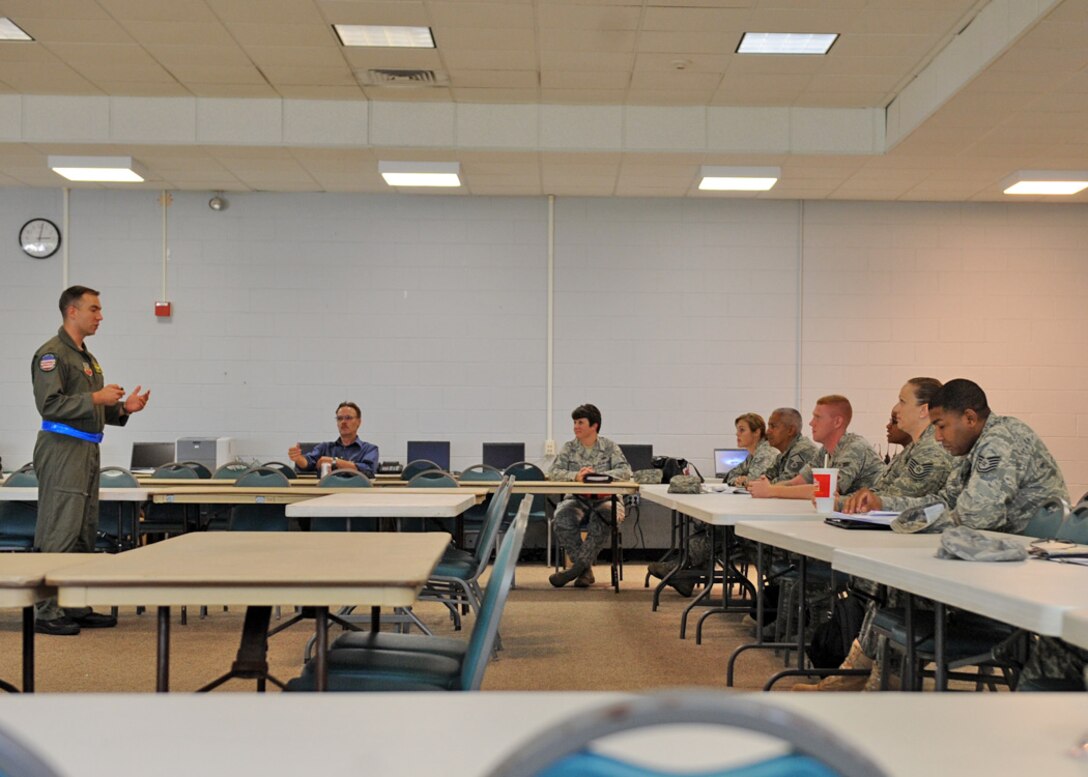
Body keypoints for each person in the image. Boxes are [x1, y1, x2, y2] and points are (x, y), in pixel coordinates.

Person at [795, 377, 954, 691]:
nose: (895, 409)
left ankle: (866, 675)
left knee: (879, 582)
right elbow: (878, 493)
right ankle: (863, 673)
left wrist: (847, 502)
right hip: (905, 547)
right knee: (878, 583)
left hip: (923, 556)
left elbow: (891, 499)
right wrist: (846, 502)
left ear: (924, 410)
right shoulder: (912, 451)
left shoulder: (931, 452)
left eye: (902, 401)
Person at [32, 285, 150, 636]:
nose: (100, 316)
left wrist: (122, 409)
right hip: (62, 448)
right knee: (60, 529)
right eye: (94, 309)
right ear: (72, 311)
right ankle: (47, 610)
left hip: (86, 448)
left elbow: (91, 407)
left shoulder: (87, 358)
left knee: (83, 530)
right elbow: (50, 405)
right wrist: (97, 397)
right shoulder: (52, 355)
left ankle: (74, 605)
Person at [844, 379, 1068, 534]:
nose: (938, 436)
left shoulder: (1001, 439)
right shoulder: (971, 445)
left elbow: (977, 516)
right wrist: (883, 504)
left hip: (1032, 556)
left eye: (941, 426)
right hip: (1006, 550)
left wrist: (908, 522)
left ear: (969, 418)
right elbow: (945, 501)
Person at [547, 404, 632, 588]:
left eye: (580, 422)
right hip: (577, 499)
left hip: (607, 499)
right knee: (562, 518)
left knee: (605, 515)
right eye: (574, 423)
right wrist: (575, 476)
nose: (575, 427)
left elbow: (625, 471)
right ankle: (584, 570)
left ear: (594, 426)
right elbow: (553, 472)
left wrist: (599, 476)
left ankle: (576, 569)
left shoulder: (609, 447)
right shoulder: (569, 448)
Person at [748, 395, 884, 500]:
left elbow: (826, 491)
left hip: (876, 520)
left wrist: (771, 490)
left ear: (837, 422)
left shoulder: (854, 447)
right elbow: (797, 482)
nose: (811, 423)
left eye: (818, 417)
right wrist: (765, 488)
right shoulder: (825, 451)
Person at [288, 401, 379, 478]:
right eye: (339, 418)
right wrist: (298, 458)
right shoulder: (324, 448)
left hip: (356, 492)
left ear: (359, 422)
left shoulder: (369, 449)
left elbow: (368, 471)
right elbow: (308, 463)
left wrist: (334, 462)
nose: (343, 422)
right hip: (328, 491)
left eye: (348, 418)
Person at [754, 407, 822, 485]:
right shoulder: (783, 454)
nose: (768, 432)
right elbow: (765, 477)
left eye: (773, 426)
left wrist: (761, 485)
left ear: (790, 430)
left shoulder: (803, 450)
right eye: (769, 426)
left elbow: (787, 482)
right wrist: (757, 484)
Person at [723, 413, 777, 487]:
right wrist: (738, 481)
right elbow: (730, 475)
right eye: (737, 430)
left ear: (757, 432)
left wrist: (744, 481)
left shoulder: (766, 453)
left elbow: (753, 483)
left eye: (742, 430)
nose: (737, 434)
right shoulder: (752, 455)